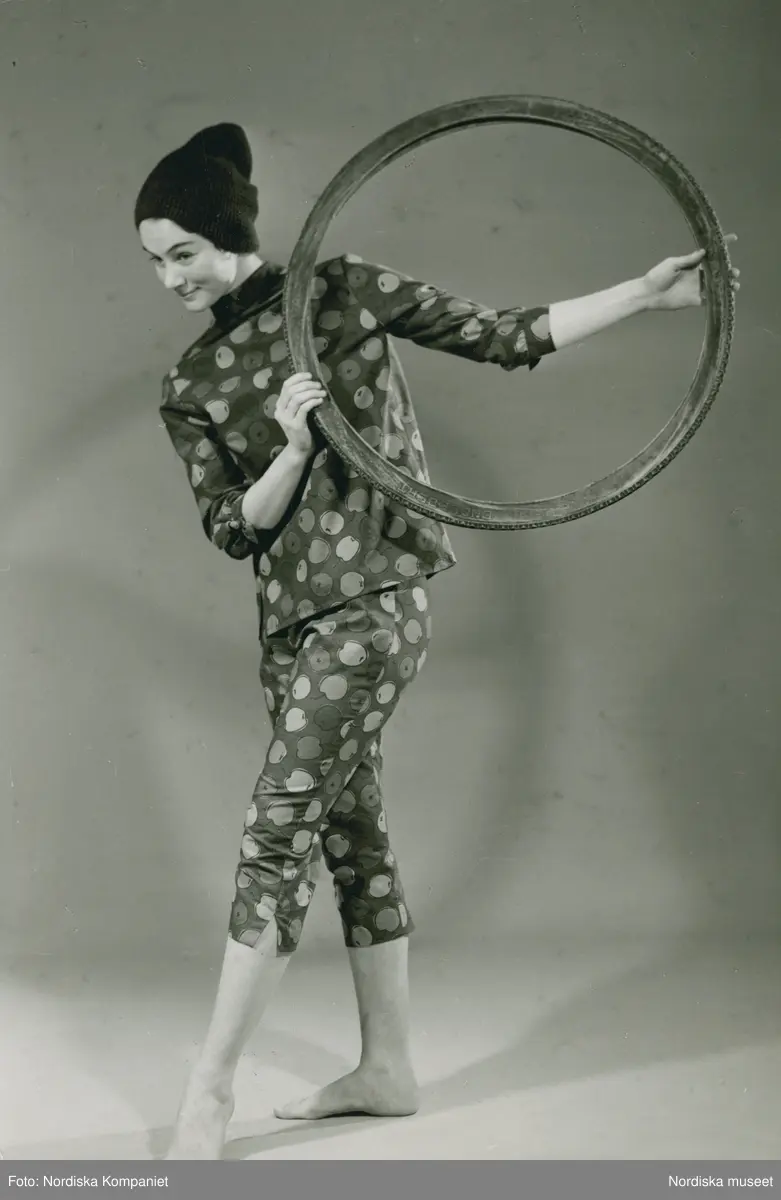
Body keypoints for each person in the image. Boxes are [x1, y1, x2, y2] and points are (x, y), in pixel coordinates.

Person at [134, 122, 739, 1159]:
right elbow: (235, 528)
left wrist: (645, 295)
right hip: (289, 624)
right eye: (154, 262)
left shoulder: (340, 290)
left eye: (182, 251)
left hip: (376, 603)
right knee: (351, 835)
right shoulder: (189, 384)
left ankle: (209, 1093)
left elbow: (504, 337)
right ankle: (386, 1070)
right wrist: (291, 447)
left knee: (275, 834)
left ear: (227, 230)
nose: (170, 278)